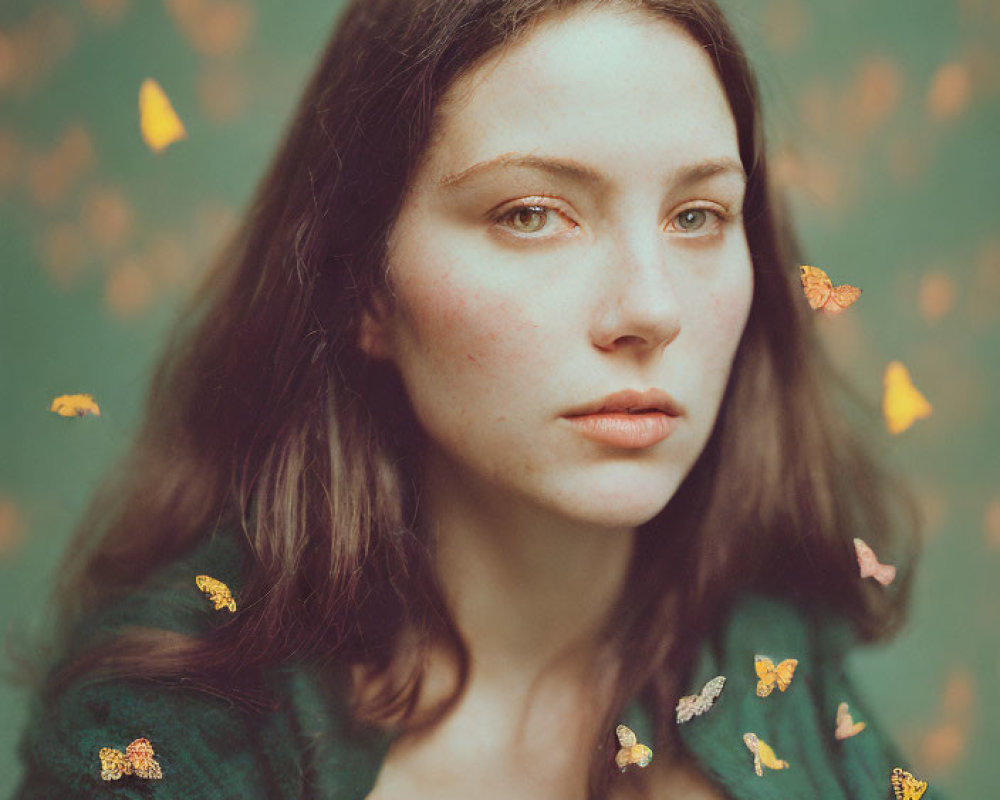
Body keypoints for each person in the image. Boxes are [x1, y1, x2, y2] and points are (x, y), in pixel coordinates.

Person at [11, 1, 944, 798]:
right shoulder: (165, 740)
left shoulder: (787, 686)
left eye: (697, 216)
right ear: (363, 288)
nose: (650, 309)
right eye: (531, 214)